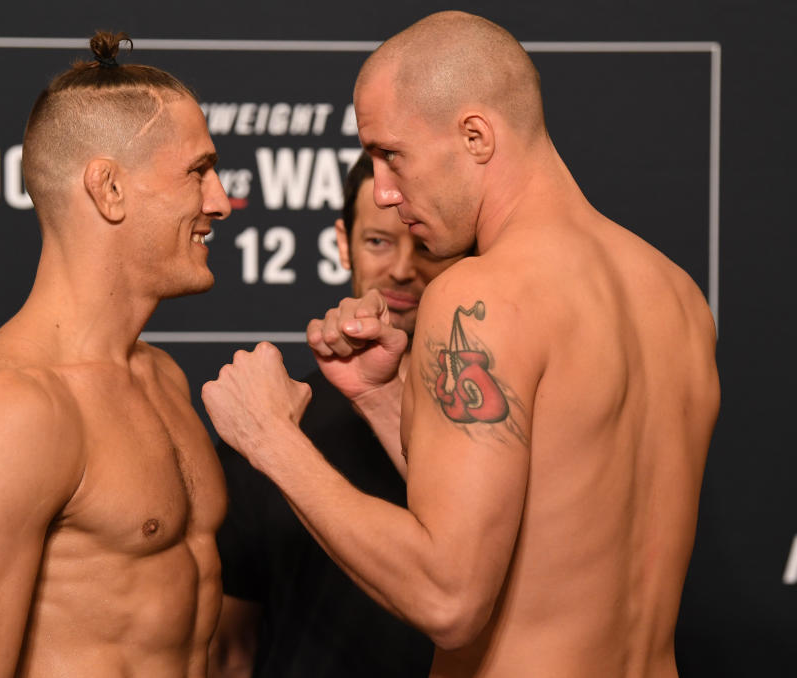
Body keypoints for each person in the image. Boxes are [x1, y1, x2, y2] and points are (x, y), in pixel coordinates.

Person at [202, 10, 720, 678]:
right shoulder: (674, 294)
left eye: (392, 155)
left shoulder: (479, 297)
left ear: (475, 135)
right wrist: (383, 398)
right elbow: (548, 525)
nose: (386, 192)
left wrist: (272, 440)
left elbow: (448, 598)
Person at [0, 32, 231, 678]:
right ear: (108, 189)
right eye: (198, 172)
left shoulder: (163, 379)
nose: (220, 201)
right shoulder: (10, 408)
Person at [211, 153, 461, 678]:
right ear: (343, 242)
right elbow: (229, 649)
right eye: (378, 241)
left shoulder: (489, 431)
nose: (400, 268)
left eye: (424, 245)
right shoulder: (276, 416)